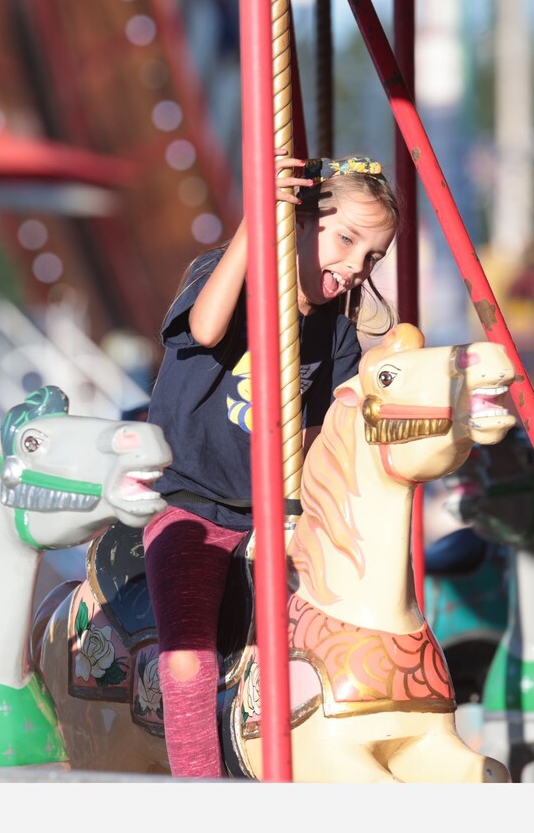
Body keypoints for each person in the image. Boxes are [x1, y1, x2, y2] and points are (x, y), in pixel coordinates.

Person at [143, 151, 399, 777]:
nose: (354, 267)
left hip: (273, 522)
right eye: (345, 240)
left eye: (371, 257)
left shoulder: (336, 335)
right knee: (188, 661)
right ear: (300, 221)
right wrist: (255, 223)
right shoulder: (229, 276)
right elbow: (205, 330)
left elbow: (321, 438)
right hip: (191, 509)